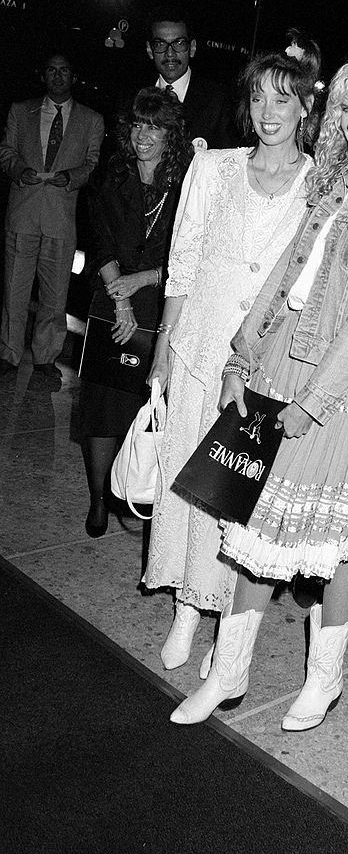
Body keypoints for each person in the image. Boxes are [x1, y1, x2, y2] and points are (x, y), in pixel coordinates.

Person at [168, 52, 348, 730]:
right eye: (344, 108)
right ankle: (228, 673)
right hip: (284, 366)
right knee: (255, 529)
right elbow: (286, 280)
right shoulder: (334, 177)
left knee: (336, 543)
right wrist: (242, 354)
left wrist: (314, 399)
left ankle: (324, 680)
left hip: (346, 386)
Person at [142, 52, 316, 671]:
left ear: (304, 107)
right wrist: (163, 348)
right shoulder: (212, 167)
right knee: (188, 487)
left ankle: (224, 620)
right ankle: (186, 608)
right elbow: (182, 260)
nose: (268, 113)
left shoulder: (319, 186)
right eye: (258, 99)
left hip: (261, 365)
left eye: (282, 99)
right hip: (197, 349)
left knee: (236, 495)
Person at [79, 88, 191, 537]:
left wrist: (141, 282)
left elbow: (190, 253)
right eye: (139, 124)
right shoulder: (109, 177)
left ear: (171, 135)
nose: (145, 135)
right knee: (102, 405)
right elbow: (99, 237)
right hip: (110, 300)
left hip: (163, 304)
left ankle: (141, 492)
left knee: (147, 403)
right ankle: (99, 498)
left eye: (156, 126)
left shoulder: (186, 185)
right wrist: (119, 296)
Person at [0, 52, 104, 381]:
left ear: (73, 77)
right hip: (23, 214)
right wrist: (19, 170)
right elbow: (6, 152)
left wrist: (73, 177)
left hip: (61, 217)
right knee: (14, 291)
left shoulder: (92, 119)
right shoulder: (20, 111)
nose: (58, 76)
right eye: (51, 70)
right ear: (43, 76)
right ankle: (8, 353)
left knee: (56, 294)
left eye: (64, 70)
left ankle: (45, 359)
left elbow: (92, 163)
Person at [146, 5, 239, 151]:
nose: (170, 53)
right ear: (150, 50)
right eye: (160, 44)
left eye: (179, 43)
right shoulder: (133, 97)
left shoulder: (219, 100)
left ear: (192, 48)